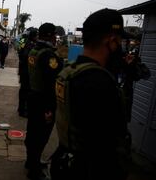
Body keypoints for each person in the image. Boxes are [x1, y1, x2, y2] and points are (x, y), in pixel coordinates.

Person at [51, 9, 130, 180]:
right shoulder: (100, 82)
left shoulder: (70, 71)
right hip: (88, 170)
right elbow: (106, 146)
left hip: (64, 161)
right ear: (112, 41)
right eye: (120, 41)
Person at [25, 23, 63, 179]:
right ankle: (34, 171)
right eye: (54, 35)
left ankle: (30, 162)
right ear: (48, 35)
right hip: (44, 101)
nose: (56, 38)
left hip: (33, 97)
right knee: (41, 136)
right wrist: (49, 109)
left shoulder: (34, 50)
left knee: (33, 132)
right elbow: (50, 83)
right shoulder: (48, 55)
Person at [18, 28, 38, 117]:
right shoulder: (30, 45)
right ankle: (23, 110)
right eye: (36, 35)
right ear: (33, 36)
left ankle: (21, 109)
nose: (37, 37)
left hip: (23, 70)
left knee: (23, 90)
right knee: (26, 91)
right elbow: (25, 56)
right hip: (26, 71)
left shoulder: (24, 42)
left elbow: (20, 51)